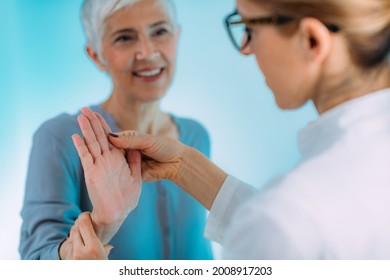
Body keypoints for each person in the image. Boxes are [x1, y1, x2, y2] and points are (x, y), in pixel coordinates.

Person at [75, 0, 390, 259]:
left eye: (249, 29)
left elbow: (281, 228)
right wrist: (184, 166)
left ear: (312, 40)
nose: (245, 49)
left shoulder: (285, 219)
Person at [19, 0, 213, 260]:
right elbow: (36, 259)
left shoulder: (196, 135)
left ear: (177, 36)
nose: (148, 51)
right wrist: (100, 226)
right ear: (96, 55)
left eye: (160, 31)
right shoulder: (60, 139)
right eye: (124, 38)